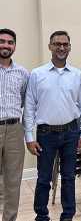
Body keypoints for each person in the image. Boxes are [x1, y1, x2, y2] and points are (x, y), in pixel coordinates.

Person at [23, 31, 81, 221]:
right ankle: (42, 216)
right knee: (44, 179)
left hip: (71, 132)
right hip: (45, 133)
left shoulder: (77, 75)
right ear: (50, 46)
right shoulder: (37, 74)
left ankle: (68, 215)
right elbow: (28, 108)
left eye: (65, 44)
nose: (62, 48)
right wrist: (29, 138)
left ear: (69, 48)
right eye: (57, 44)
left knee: (69, 177)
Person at [0, 28, 29, 221]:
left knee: (13, 180)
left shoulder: (22, 73)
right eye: (2, 41)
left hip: (14, 128)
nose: (5, 45)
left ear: (15, 46)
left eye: (10, 42)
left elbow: (25, 101)